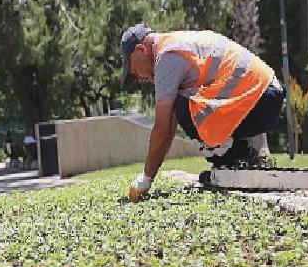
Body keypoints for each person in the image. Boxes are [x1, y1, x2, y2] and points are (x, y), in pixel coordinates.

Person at [120, 24, 285, 201]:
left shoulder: (166, 57)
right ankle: (237, 156)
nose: (138, 78)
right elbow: (168, 128)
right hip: (267, 95)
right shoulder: (175, 44)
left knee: (185, 105)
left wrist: (145, 179)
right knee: (183, 104)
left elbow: (163, 127)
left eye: (133, 70)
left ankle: (232, 160)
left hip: (261, 99)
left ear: (140, 49)